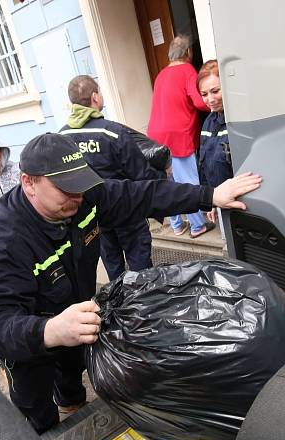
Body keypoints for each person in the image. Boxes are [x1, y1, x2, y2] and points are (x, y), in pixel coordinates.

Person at [0, 133, 261, 433]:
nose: (77, 197)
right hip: (30, 341)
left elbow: (143, 196)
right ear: (29, 182)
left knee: (72, 378)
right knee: (38, 411)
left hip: (74, 318)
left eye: (80, 185)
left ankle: (73, 404)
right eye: (65, 188)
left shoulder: (83, 197)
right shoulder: (5, 242)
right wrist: (50, 330)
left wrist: (209, 195)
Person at [59, 74, 165, 280]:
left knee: (113, 268)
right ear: (95, 97)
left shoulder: (62, 137)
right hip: (127, 211)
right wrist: (161, 180)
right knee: (141, 270)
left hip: (93, 217)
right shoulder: (113, 132)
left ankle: (119, 307)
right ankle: (143, 308)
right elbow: (141, 174)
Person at [147, 34, 214, 238]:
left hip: (156, 135)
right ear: (188, 53)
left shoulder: (160, 75)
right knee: (188, 181)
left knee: (168, 182)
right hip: (178, 134)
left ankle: (176, 226)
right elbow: (199, 102)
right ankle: (197, 226)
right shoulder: (187, 70)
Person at [197, 59, 234, 227]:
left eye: (215, 91)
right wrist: (209, 200)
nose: (210, 99)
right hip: (219, 202)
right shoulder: (208, 123)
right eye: (204, 94)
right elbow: (203, 164)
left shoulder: (239, 122)